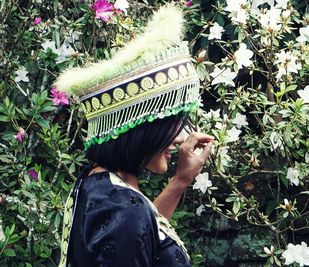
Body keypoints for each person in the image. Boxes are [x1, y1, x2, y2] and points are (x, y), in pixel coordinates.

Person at [55, 5, 212, 266]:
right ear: (141, 127)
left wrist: (181, 180)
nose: (182, 138)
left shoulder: (100, 184)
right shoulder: (124, 210)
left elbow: (142, 238)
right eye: (170, 123)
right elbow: (132, 228)